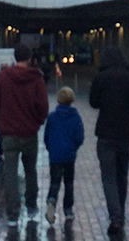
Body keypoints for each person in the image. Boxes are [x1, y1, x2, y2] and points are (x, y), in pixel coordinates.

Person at [0, 43, 49, 226]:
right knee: (31, 171)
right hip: (29, 132)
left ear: (15, 56)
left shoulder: (4, 77)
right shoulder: (36, 78)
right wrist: (37, 121)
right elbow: (43, 107)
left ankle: (12, 213)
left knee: (10, 173)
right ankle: (31, 207)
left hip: (9, 133)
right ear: (30, 58)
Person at [89, 46, 129, 236]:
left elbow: (93, 102)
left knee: (108, 178)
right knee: (122, 176)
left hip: (105, 134)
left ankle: (115, 218)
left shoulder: (101, 78)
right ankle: (119, 214)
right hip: (125, 134)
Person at [43, 86, 85, 225]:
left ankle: (51, 201)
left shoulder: (52, 117)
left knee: (55, 182)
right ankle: (68, 210)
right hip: (69, 155)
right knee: (68, 183)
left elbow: (47, 136)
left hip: (55, 155)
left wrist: (51, 149)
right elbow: (79, 136)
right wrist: (74, 147)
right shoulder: (75, 117)